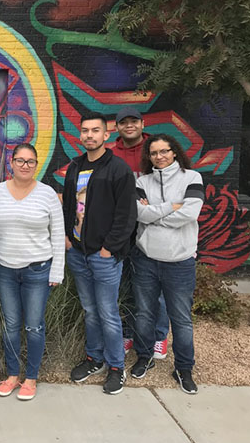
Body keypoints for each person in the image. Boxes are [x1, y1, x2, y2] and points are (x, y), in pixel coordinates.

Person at [0, 143, 65, 401]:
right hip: (5, 269)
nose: (25, 165)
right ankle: (12, 375)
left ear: (36, 165)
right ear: (11, 163)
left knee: (33, 326)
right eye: (20, 160)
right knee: (10, 326)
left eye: (30, 161)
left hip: (38, 270)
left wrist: (57, 271)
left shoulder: (47, 194)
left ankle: (31, 378)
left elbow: (58, 233)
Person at [63, 112, 137, 395]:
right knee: (90, 310)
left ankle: (117, 366)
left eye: (95, 131)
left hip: (103, 255)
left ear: (107, 135)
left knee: (107, 312)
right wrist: (69, 239)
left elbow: (126, 214)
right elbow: (70, 205)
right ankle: (94, 358)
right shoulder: (75, 167)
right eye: (85, 131)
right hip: (78, 253)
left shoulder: (117, 169)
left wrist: (109, 248)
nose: (89, 135)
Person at [130, 134, 204, 394]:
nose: (159, 156)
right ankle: (144, 356)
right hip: (146, 259)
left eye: (164, 151)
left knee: (181, 319)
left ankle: (184, 368)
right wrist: (170, 207)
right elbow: (138, 213)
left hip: (179, 262)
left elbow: (189, 214)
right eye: (154, 153)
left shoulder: (191, 178)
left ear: (175, 152)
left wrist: (155, 213)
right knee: (144, 314)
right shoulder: (142, 181)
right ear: (148, 157)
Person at [110, 106, 170, 360]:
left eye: (134, 121)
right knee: (123, 287)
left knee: (154, 288)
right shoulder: (111, 154)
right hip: (121, 231)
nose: (129, 125)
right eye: (124, 122)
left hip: (151, 228)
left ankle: (159, 336)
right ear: (117, 127)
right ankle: (128, 333)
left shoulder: (155, 151)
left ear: (142, 124)